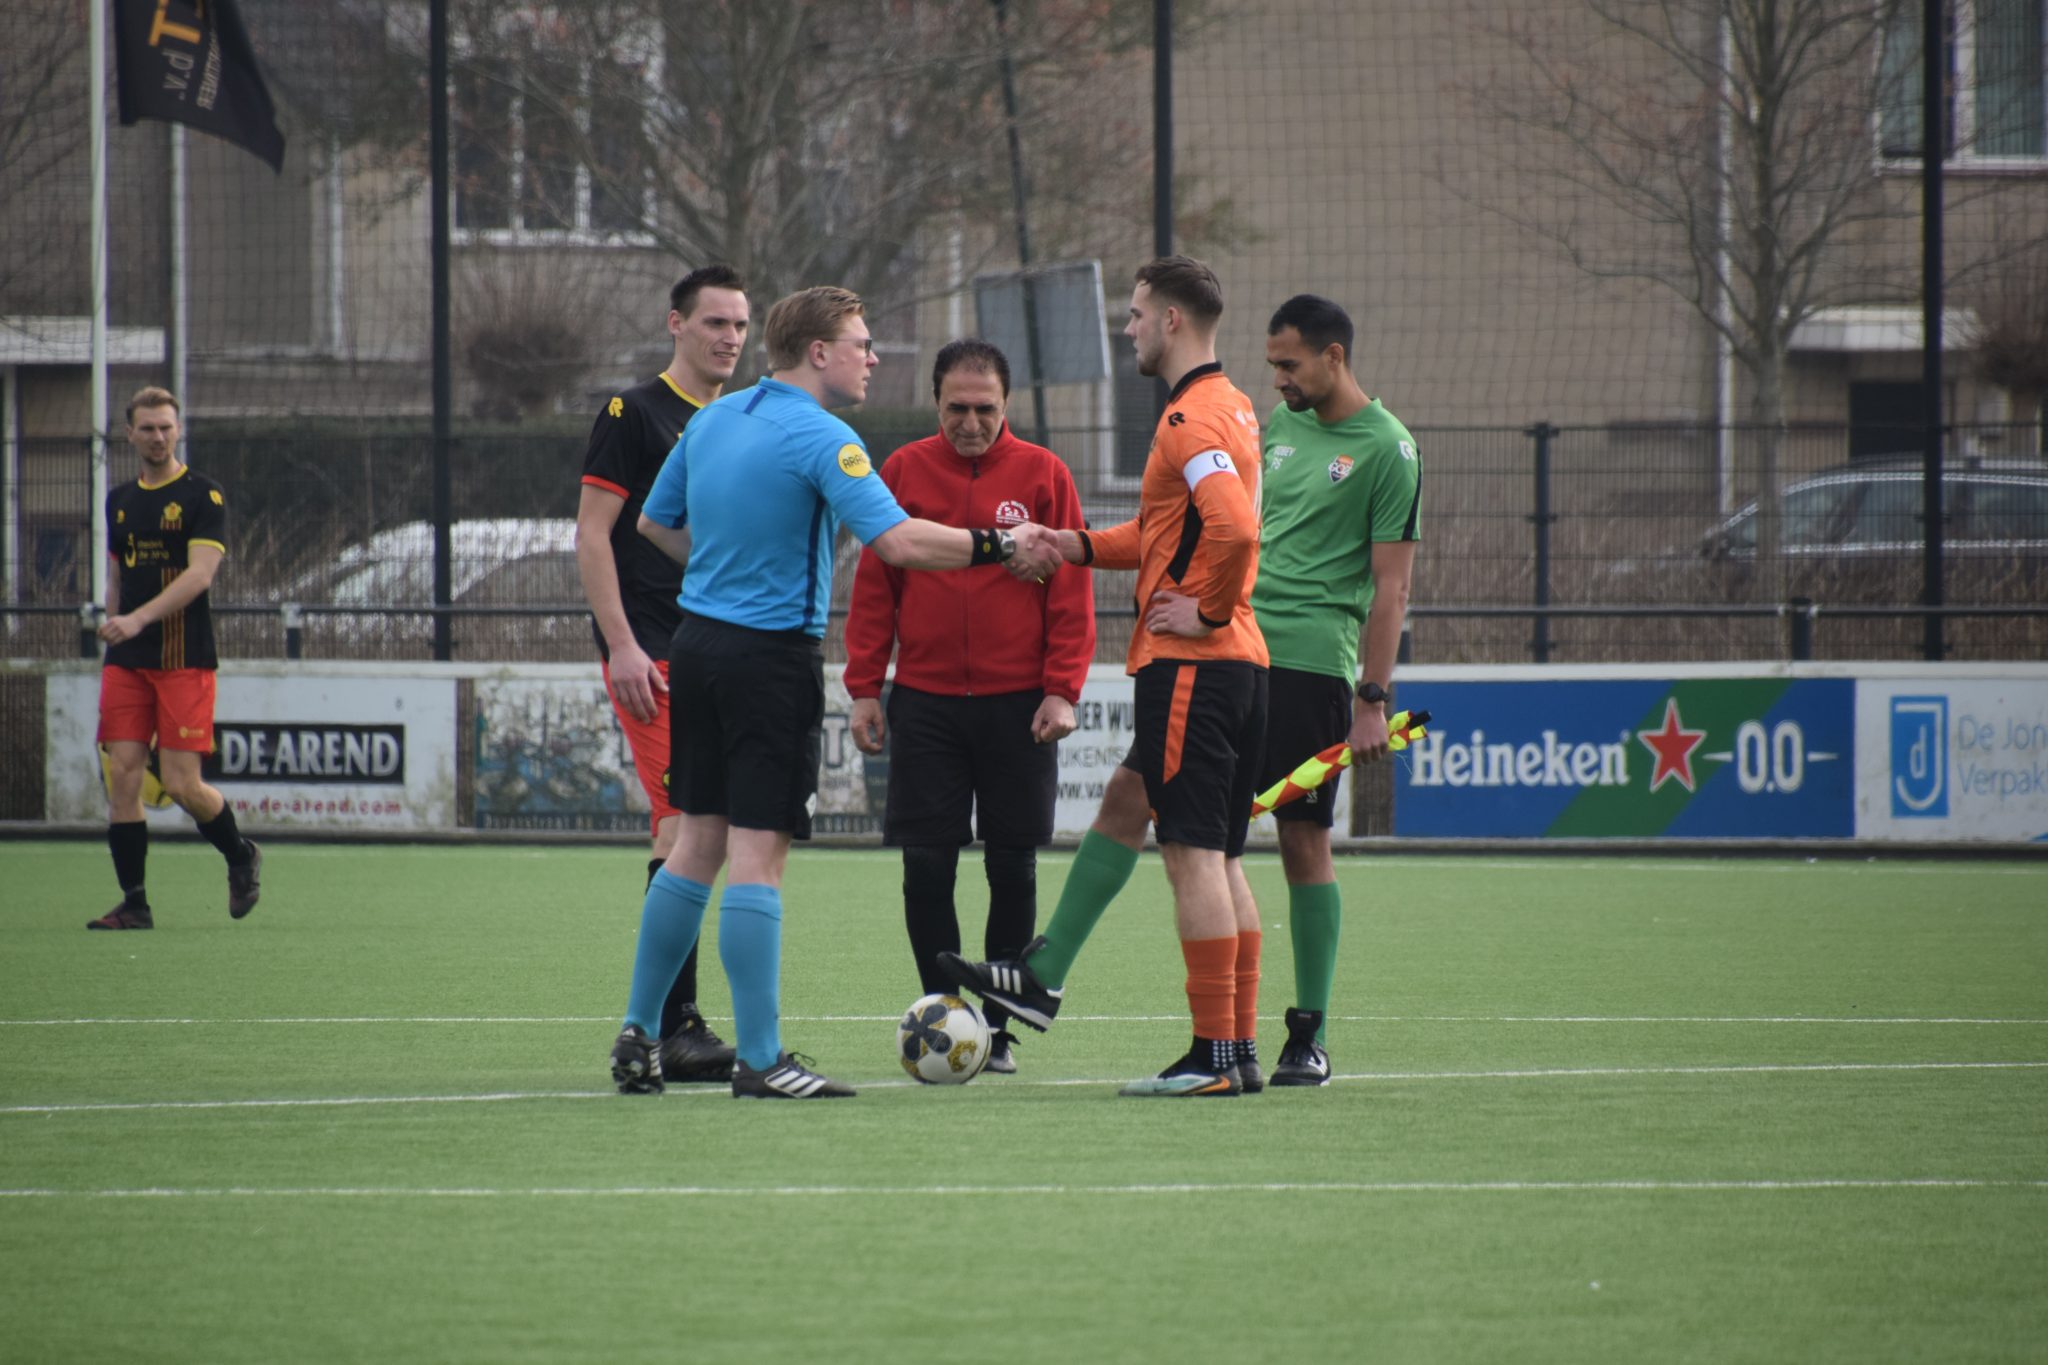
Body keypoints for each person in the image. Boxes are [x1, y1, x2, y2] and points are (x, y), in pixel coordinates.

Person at [608, 286, 1063, 1099]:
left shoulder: (713, 417)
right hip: (766, 660)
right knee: (755, 854)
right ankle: (762, 1056)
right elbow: (898, 540)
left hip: (699, 646)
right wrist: (1000, 541)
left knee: (693, 845)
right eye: (860, 343)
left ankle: (640, 1033)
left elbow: (652, 523)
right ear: (818, 352)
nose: (871, 357)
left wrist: (723, 573)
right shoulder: (826, 436)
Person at [942, 255, 1270, 1098]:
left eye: (1133, 315)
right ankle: (1046, 977)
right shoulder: (1227, 404)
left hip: (1195, 665)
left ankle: (1214, 1057)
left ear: (1169, 321)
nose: (1125, 328)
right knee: (1144, 809)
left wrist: (1204, 608)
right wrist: (1074, 543)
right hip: (1236, 668)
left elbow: (1232, 531)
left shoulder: (1187, 419)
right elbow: (1172, 531)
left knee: (1194, 856)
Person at [843, 339, 1096, 1076]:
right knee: (926, 864)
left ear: (1007, 405)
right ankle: (943, 1014)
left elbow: (1072, 591)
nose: (972, 422)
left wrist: (1061, 688)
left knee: (1012, 866)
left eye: (986, 408)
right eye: (958, 407)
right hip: (923, 701)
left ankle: (1000, 1028)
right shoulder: (902, 471)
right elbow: (875, 584)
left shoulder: (1045, 474)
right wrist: (865, 685)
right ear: (935, 403)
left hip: (1021, 704)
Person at [575, 264, 749, 1084]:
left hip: (721, 648)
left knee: (694, 827)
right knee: (683, 827)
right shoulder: (633, 412)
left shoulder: (744, 417)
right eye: (715, 322)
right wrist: (622, 645)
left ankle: (671, 1022)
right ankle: (671, 1024)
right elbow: (593, 534)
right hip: (655, 652)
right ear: (674, 324)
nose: (730, 338)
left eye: (741, 326)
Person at [1252, 294, 1421, 1085]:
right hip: (1237, 655)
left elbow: (1392, 590)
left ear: (1335, 357)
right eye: (1273, 362)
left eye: (1289, 363)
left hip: (1316, 667)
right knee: (1200, 837)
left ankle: (1308, 1032)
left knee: (1301, 840)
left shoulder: (1389, 449)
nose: (1277, 377)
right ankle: (1217, 1032)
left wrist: (1372, 698)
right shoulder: (1275, 430)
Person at [89, 386, 262, 929]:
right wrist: (117, 621)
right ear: (130, 434)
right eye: (148, 428)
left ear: (178, 430)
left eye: (166, 427)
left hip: (184, 656)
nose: (158, 437)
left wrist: (140, 618)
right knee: (123, 775)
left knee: (184, 784)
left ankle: (240, 855)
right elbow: (119, 571)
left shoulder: (202, 497)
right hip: (128, 661)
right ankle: (135, 903)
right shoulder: (118, 498)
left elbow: (200, 575)